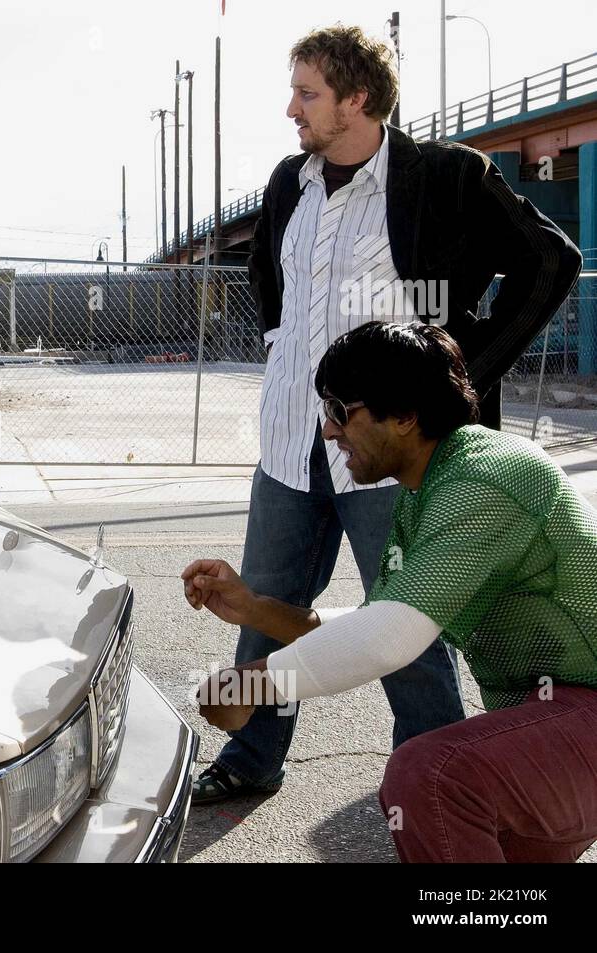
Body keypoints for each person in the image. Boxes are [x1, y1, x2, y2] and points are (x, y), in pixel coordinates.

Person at [194, 25, 583, 803]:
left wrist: (464, 369)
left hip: (391, 447)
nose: (291, 108)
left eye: (307, 93)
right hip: (288, 441)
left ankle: (436, 775)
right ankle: (252, 755)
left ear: (356, 98)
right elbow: (268, 269)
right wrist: (279, 341)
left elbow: (551, 259)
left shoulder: (444, 176)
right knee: (268, 604)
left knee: (403, 626)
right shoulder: (287, 182)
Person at [185, 321, 597, 862]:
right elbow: (373, 627)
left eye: (338, 410)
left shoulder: (485, 478)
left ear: (404, 415)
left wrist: (252, 685)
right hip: (551, 719)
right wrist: (252, 607)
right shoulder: (427, 490)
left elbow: (384, 640)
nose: (328, 432)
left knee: (431, 777)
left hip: (577, 714)